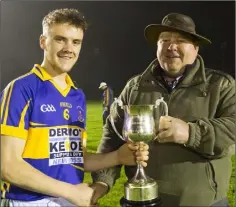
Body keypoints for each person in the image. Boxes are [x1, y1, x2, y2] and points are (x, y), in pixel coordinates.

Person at [0, 8, 150, 207]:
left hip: (69, 200)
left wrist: (117, 156)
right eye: (60, 39)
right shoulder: (21, 89)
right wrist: (72, 192)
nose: (68, 48)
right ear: (43, 42)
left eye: (76, 42)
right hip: (28, 202)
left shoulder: (76, 95)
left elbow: (74, 158)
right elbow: (8, 166)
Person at [91, 13, 235, 206]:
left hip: (203, 202)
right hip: (141, 200)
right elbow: (112, 138)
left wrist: (191, 132)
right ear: (157, 47)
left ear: (195, 49)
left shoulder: (220, 85)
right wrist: (102, 181)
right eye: (164, 40)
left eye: (180, 40)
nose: (171, 46)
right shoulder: (135, 86)